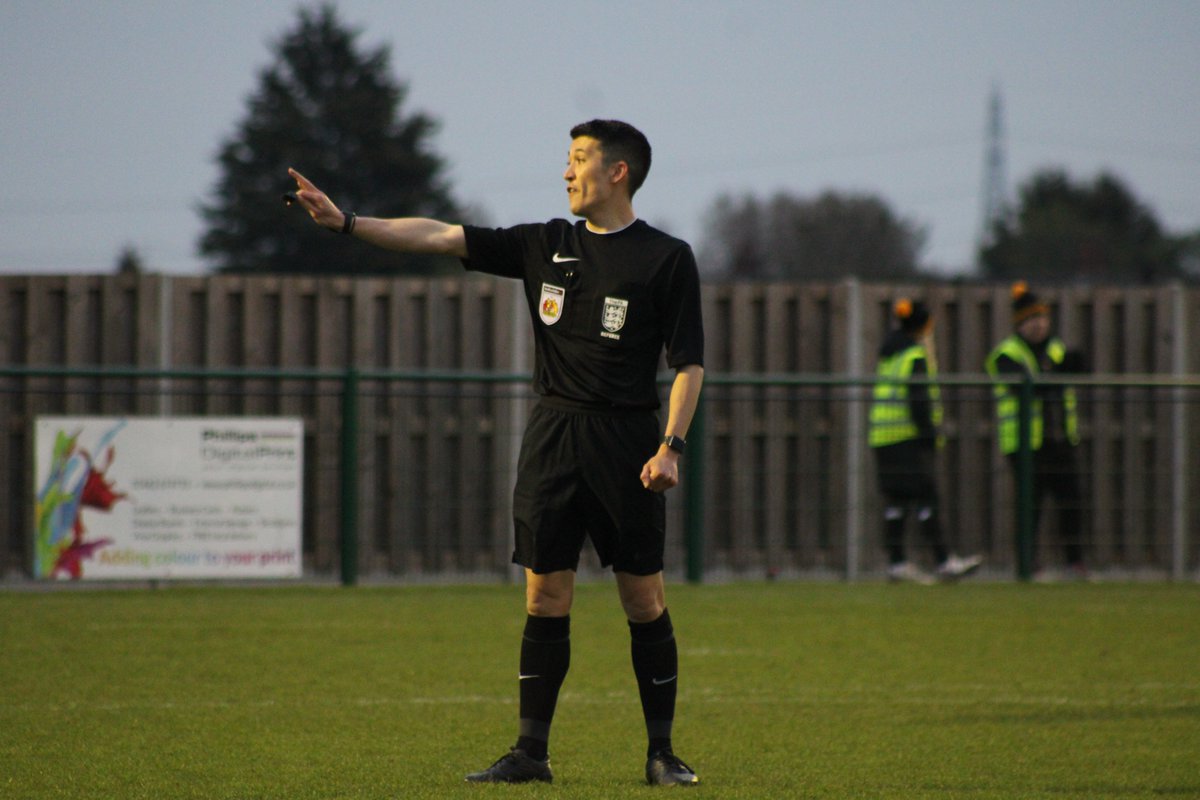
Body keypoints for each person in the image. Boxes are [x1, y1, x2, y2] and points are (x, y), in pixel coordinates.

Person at [287, 119, 703, 786]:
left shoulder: (666, 257)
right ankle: (530, 754)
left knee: (643, 601)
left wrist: (671, 446)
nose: (566, 172)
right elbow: (440, 235)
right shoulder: (545, 244)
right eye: (567, 160)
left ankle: (661, 754)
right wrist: (347, 222)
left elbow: (688, 364)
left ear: (618, 172)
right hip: (552, 439)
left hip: (627, 443)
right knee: (543, 598)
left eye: (578, 160)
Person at [868, 299, 982, 584]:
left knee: (897, 500)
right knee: (925, 496)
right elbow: (918, 399)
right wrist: (929, 435)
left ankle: (897, 563)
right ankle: (944, 561)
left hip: (882, 437)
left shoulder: (889, 354)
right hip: (905, 437)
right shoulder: (914, 356)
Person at [984, 282, 1087, 579]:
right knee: (1031, 507)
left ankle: (1075, 563)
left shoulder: (1057, 349)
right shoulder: (1006, 354)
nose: (1039, 324)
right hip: (1026, 444)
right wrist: (1053, 375)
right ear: (1020, 323)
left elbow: (1078, 368)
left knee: (1071, 503)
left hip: (1060, 439)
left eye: (1042, 318)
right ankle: (1029, 566)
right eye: (1032, 319)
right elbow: (1024, 386)